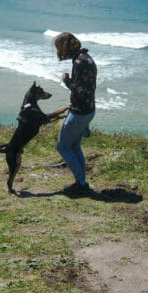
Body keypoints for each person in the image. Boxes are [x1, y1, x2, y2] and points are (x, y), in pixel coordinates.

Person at [53, 32, 96, 194]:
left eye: (59, 48)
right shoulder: (87, 58)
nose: (58, 52)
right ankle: (81, 180)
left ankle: (81, 183)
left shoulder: (79, 62)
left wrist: (66, 80)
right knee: (75, 146)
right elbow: (87, 88)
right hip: (88, 110)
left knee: (63, 147)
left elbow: (78, 89)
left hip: (79, 113)